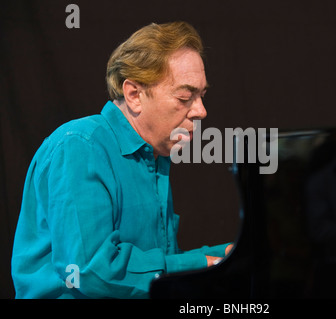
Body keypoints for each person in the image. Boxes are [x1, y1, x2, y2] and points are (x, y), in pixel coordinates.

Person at [11, 21, 232, 299]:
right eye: (185, 97)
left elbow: (151, 269)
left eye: (201, 96)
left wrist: (223, 255)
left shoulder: (156, 156)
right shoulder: (79, 146)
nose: (201, 111)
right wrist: (201, 263)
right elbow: (91, 270)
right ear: (134, 95)